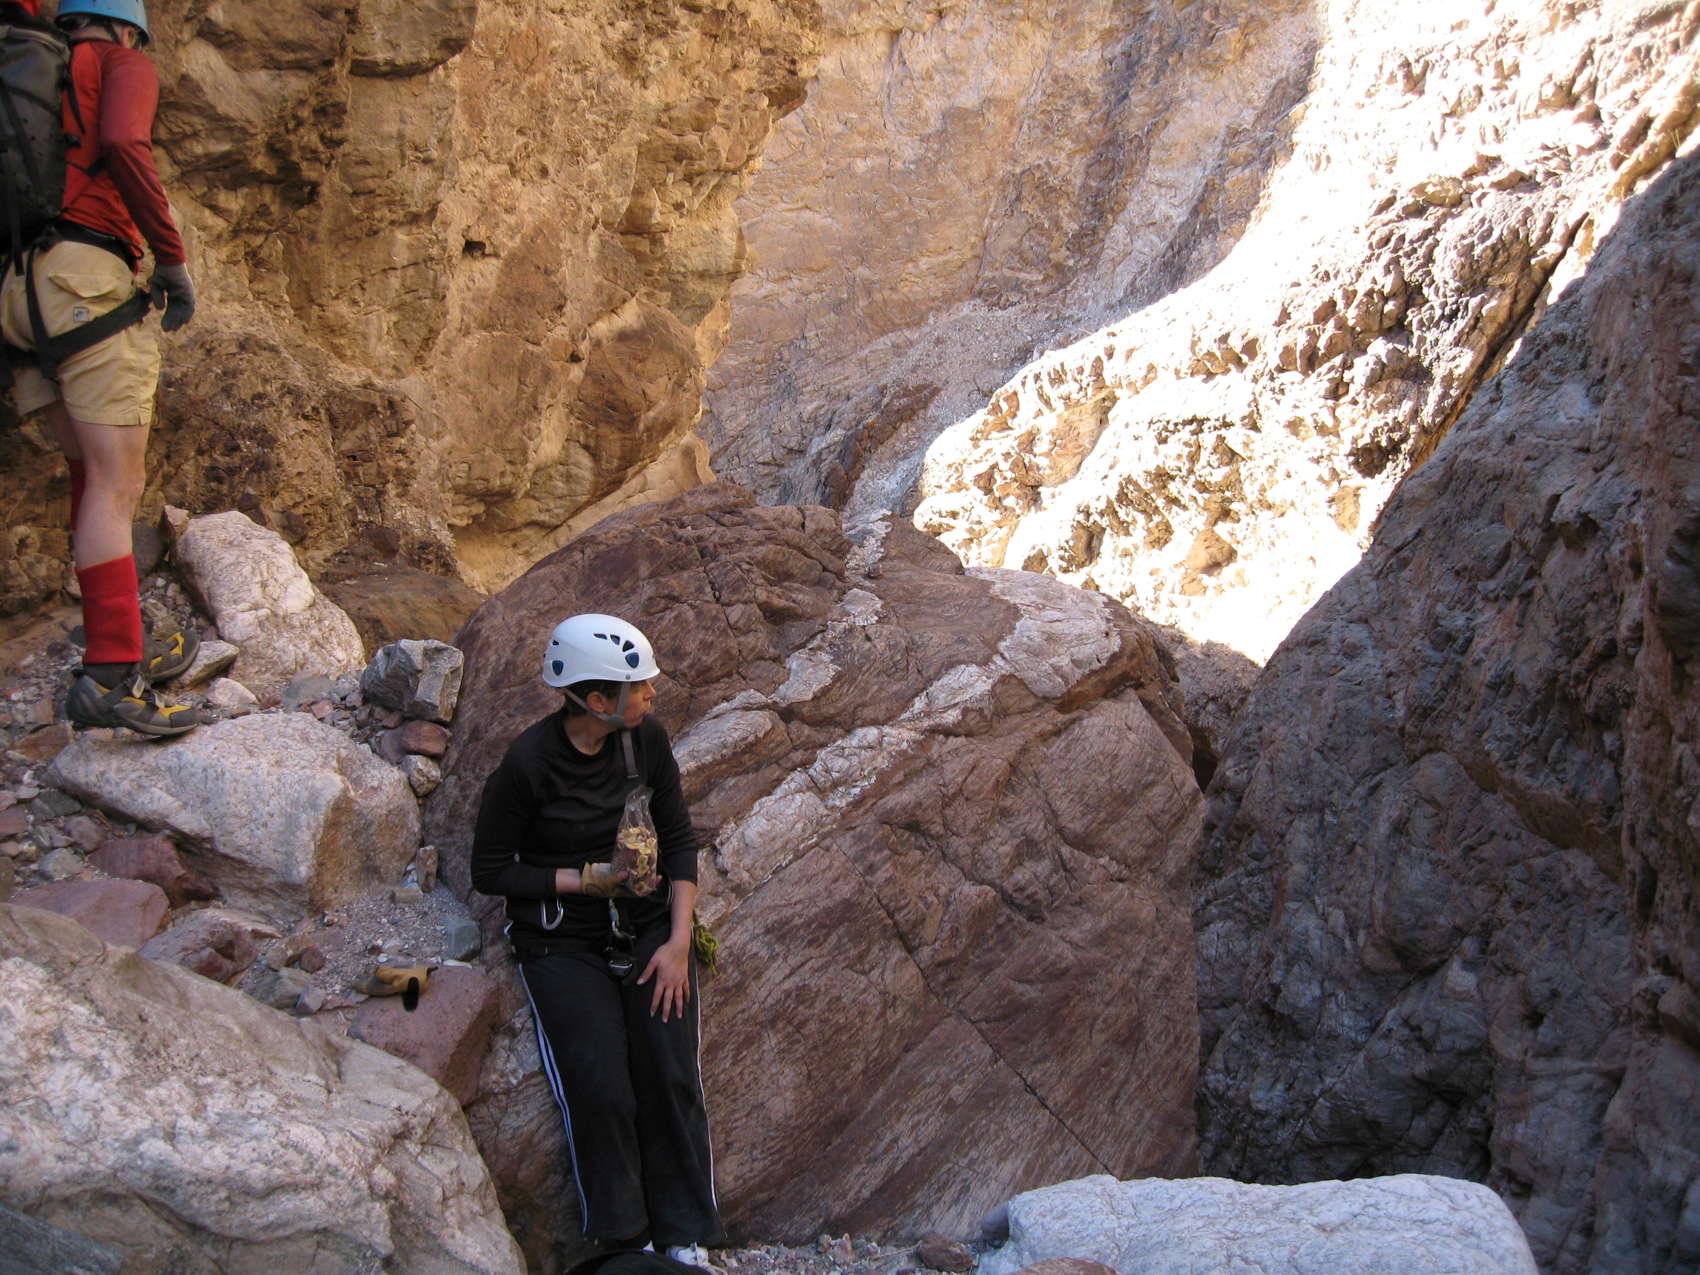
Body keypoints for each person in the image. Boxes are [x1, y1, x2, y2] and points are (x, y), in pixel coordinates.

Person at [472, 613, 723, 1265]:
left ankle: (685, 1234)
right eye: (638, 687)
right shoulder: (529, 764)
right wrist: (583, 880)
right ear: (594, 700)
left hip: (645, 925)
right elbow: (490, 870)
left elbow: (679, 839)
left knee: (669, 1072)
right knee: (601, 1085)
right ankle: (628, 1241)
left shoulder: (645, 741)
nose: (652, 694)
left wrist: (677, 943)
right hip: (562, 940)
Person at [1, 0, 201, 736]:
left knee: (90, 474)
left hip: (17, 289)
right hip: (83, 281)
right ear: (126, 26)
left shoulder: (31, 77)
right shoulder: (119, 63)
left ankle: (119, 639)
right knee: (118, 482)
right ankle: (111, 676)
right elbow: (122, 140)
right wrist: (170, 257)